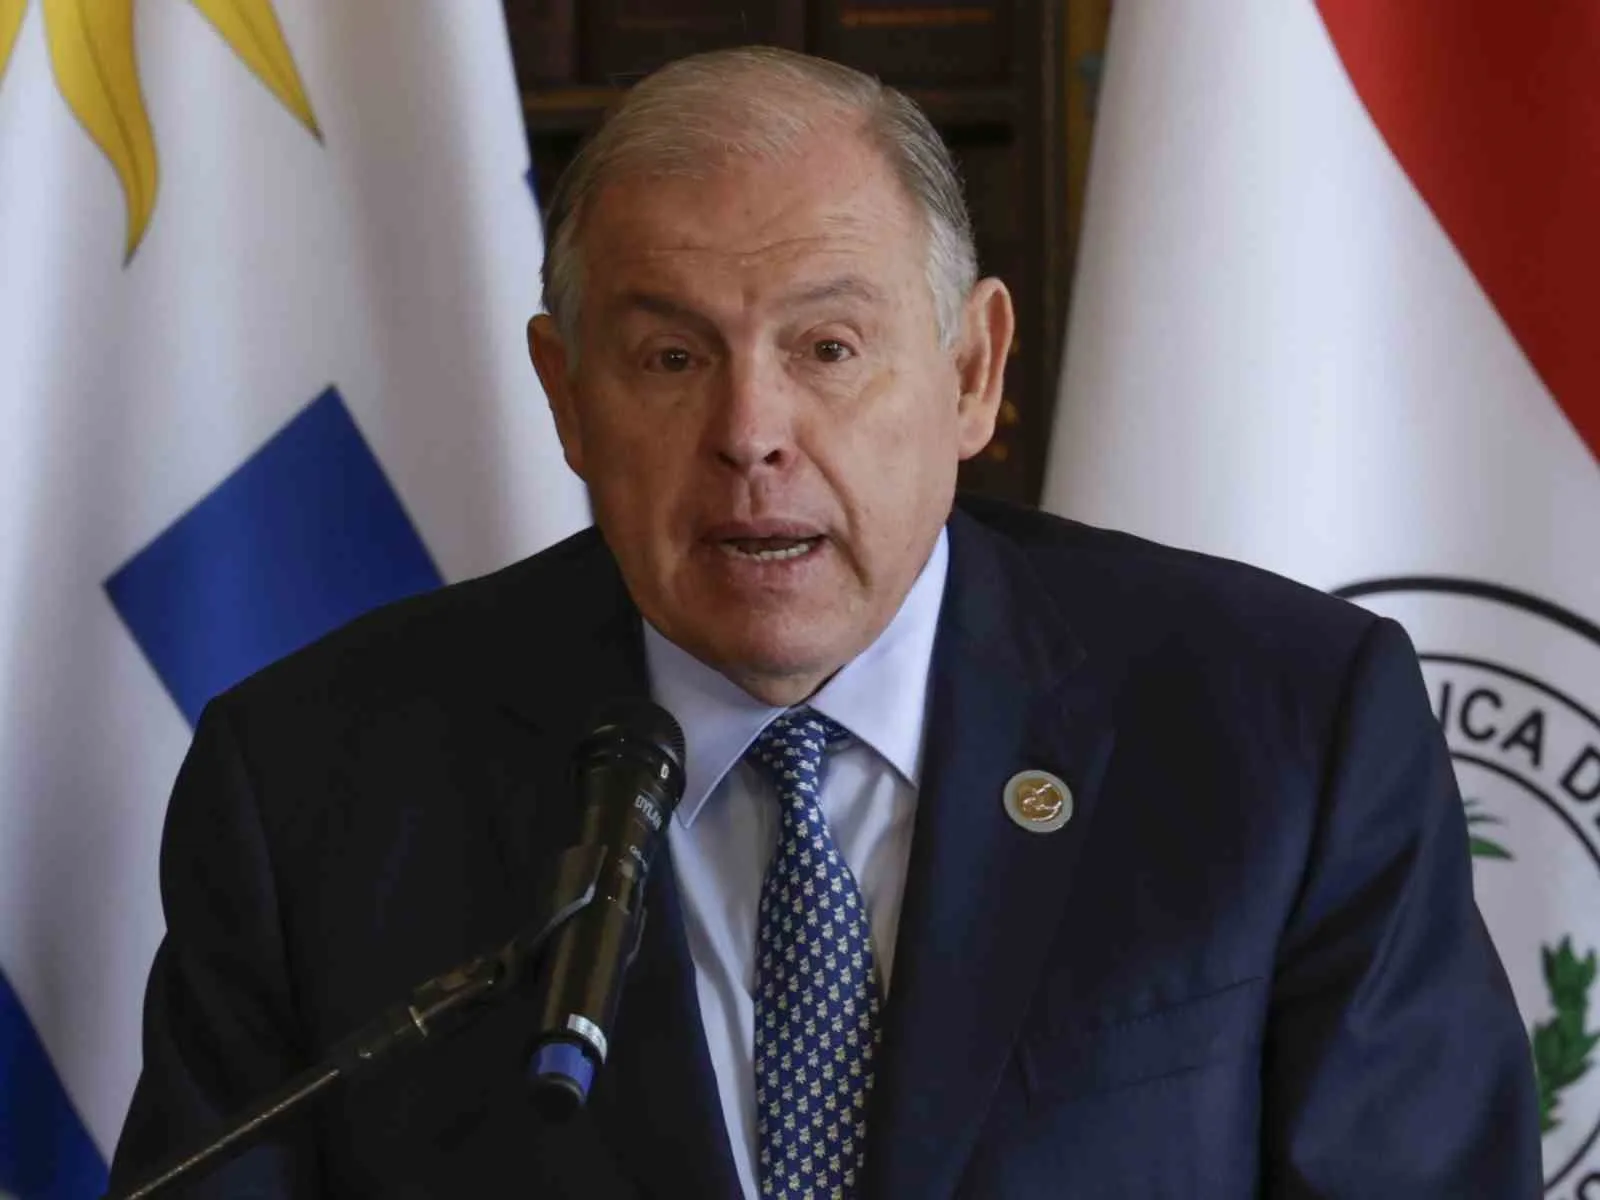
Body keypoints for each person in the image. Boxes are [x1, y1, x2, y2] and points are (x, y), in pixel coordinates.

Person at [111, 46, 1540, 1199]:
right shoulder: (314, 790)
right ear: (564, 395)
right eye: (671, 356)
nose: (750, 431)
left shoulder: (1286, 730)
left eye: (828, 348)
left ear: (972, 372)